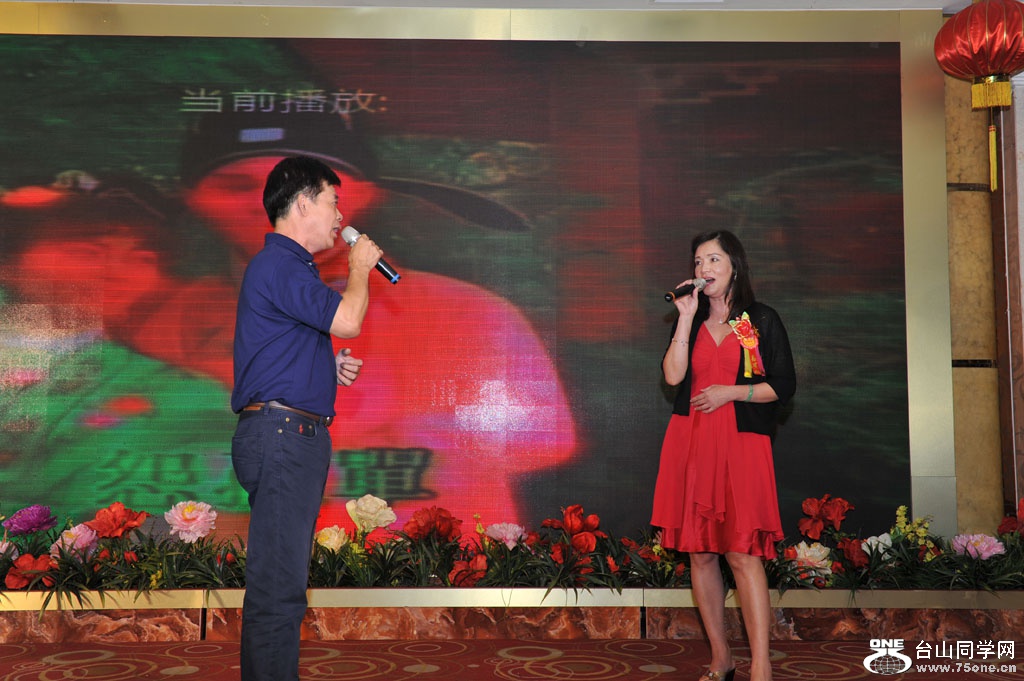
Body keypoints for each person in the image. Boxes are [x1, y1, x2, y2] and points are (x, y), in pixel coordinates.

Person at [230, 155, 382, 681]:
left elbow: (274, 349)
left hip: (283, 434)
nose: (340, 216)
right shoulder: (280, 264)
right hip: (282, 437)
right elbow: (348, 319)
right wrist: (360, 269)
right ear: (301, 204)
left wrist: (324, 367)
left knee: (282, 583)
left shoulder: (285, 268)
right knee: (278, 588)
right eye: (333, 201)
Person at [651, 230, 796, 681]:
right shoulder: (691, 319)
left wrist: (731, 392)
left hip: (741, 442)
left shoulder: (760, 319)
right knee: (700, 554)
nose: (704, 269)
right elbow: (673, 377)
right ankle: (721, 658)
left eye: (713, 259)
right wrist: (683, 318)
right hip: (692, 441)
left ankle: (761, 664)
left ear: (735, 266)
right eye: (698, 261)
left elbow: (783, 385)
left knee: (742, 553)